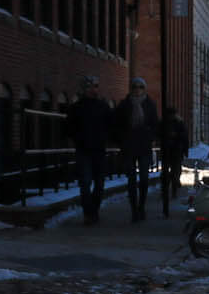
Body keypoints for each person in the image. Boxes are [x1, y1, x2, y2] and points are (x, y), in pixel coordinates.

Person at [68, 75, 113, 225]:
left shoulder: (103, 106)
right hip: (84, 150)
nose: (94, 89)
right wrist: (78, 139)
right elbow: (69, 127)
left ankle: (94, 210)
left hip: (99, 150)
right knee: (85, 183)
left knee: (99, 184)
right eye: (91, 86)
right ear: (84, 88)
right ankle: (88, 213)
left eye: (96, 86)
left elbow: (110, 125)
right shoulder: (76, 108)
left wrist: (106, 138)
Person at [115, 77, 159, 223]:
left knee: (145, 179)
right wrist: (122, 139)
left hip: (144, 146)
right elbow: (118, 124)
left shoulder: (150, 105)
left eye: (140, 87)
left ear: (144, 89)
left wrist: (150, 135)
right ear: (131, 88)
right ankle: (134, 209)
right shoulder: (125, 105)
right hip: (129, 146)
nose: (137, 89)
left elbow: (155, 124)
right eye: (135, 86)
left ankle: (141, 206)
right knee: (132, 180)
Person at [157, 104, 189, 217]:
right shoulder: (166, 123)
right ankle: (169, 188)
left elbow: (184, 136)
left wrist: (184, 148)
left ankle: (171, 188)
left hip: (175, 150)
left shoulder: (178, 123)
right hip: (171, 151)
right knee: (170, 171)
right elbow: (185, 137)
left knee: (173, 171)